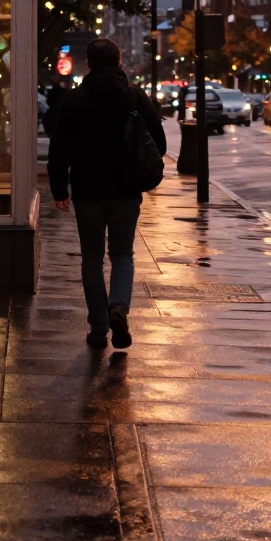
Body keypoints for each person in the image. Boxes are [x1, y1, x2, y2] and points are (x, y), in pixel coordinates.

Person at [47, 38, 166, 350]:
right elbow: (159, 143)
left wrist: (59, 188)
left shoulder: (74, 101)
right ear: (119, 61)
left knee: (92, 258)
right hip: (126, 190)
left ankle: (99, 328)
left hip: (87, 190)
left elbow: (58, 149)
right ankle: (118, 307)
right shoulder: (134, 97)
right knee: (123, 254)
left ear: (89, 63)